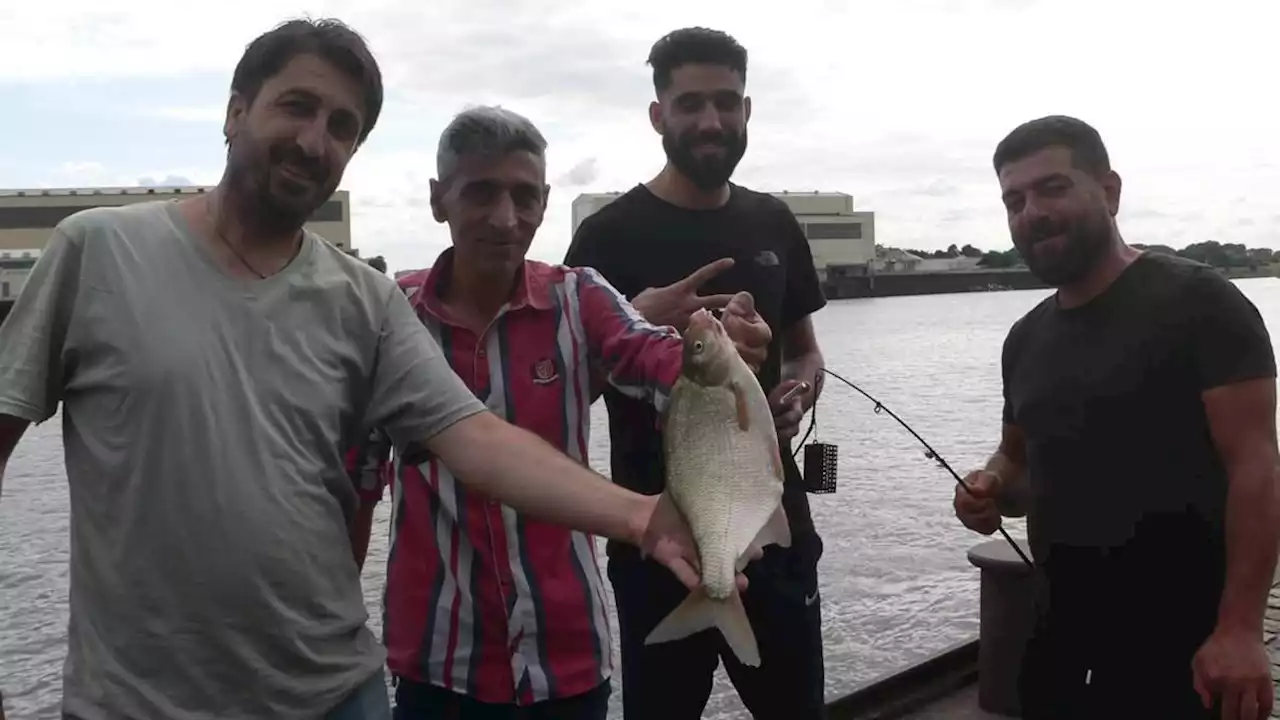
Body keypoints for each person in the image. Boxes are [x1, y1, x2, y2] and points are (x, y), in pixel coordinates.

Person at [0, 19, 738, 720]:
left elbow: (476, 438)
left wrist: (643, 514)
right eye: (296, 106)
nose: (314, 141)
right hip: (142, 701)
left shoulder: (364, 300)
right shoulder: (95, 251)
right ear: (234, 110)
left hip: (340, 692)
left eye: (342, 126)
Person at [345, 105, 772, 720]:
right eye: (481, 193)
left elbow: (654, 360)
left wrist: (720, 352)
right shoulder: (390, 316)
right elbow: (357, 484)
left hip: (564, 656)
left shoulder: (581, 297)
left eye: (524, 196)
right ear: (439, 199)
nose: (505, 218)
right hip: (436, 660)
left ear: (545, 201)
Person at [954, 115, 1278, 720]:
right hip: (1058, 631)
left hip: (1186, 639)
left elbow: (1257, 468)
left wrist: (1239, 629)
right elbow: (1020, 463)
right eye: (1014, 200)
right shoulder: (1025, 339)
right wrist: (990, 486)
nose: (1032, 212)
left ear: (1109, 191)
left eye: (1053, 188)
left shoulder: (1201, 303)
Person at [563, 26, 829, 720]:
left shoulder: (774, 222)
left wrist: (798, 390)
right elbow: (561, 392)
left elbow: (805, 348)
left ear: (746, 110)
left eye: (726, 102)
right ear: (659, 116)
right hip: (655, 538)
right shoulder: (606, 238)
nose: (710, 121)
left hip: (774, 529)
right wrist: (636, 322)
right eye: (689, 104)